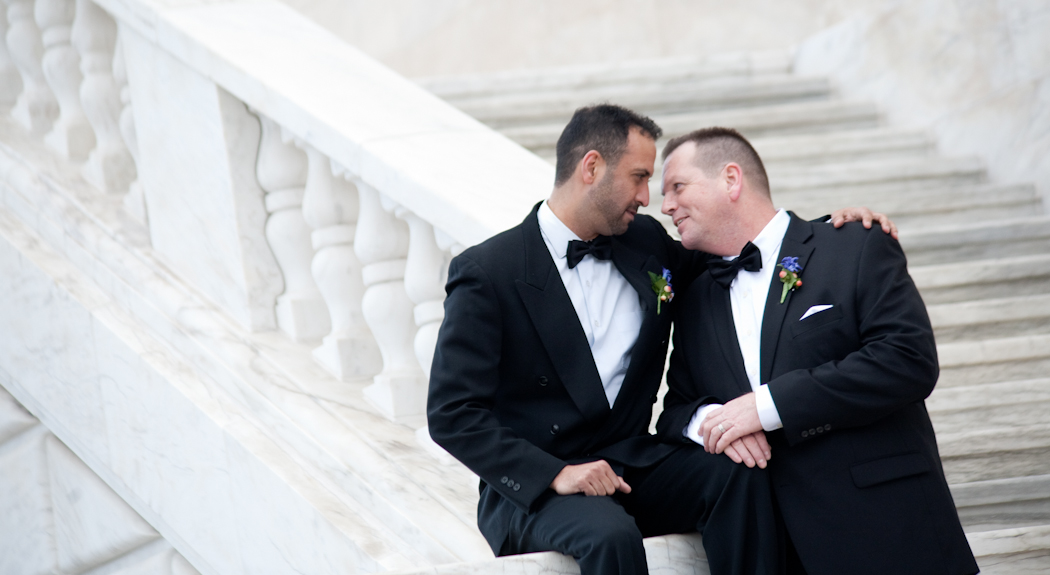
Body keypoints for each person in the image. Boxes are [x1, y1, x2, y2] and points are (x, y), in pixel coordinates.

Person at [427, 104, 892, 575]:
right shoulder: (489, 270)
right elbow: (451, 413)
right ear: (591, 167)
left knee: (739, 473)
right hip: (539, 486)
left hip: (630, 464)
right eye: (638, 177)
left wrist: (826, 234)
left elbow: (740, 255)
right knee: (609, 536)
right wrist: (557, 474)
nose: (648, 198)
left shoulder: (644, 243)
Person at [657, 127, 978, 575]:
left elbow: (907, 359)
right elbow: (676, 410)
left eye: (677, 186)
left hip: (885, 534)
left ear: (731, 180)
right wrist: (717, 421)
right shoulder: (695, 299)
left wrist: (767, 407)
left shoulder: (853, 245)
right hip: (775, 550)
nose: (666, 205)